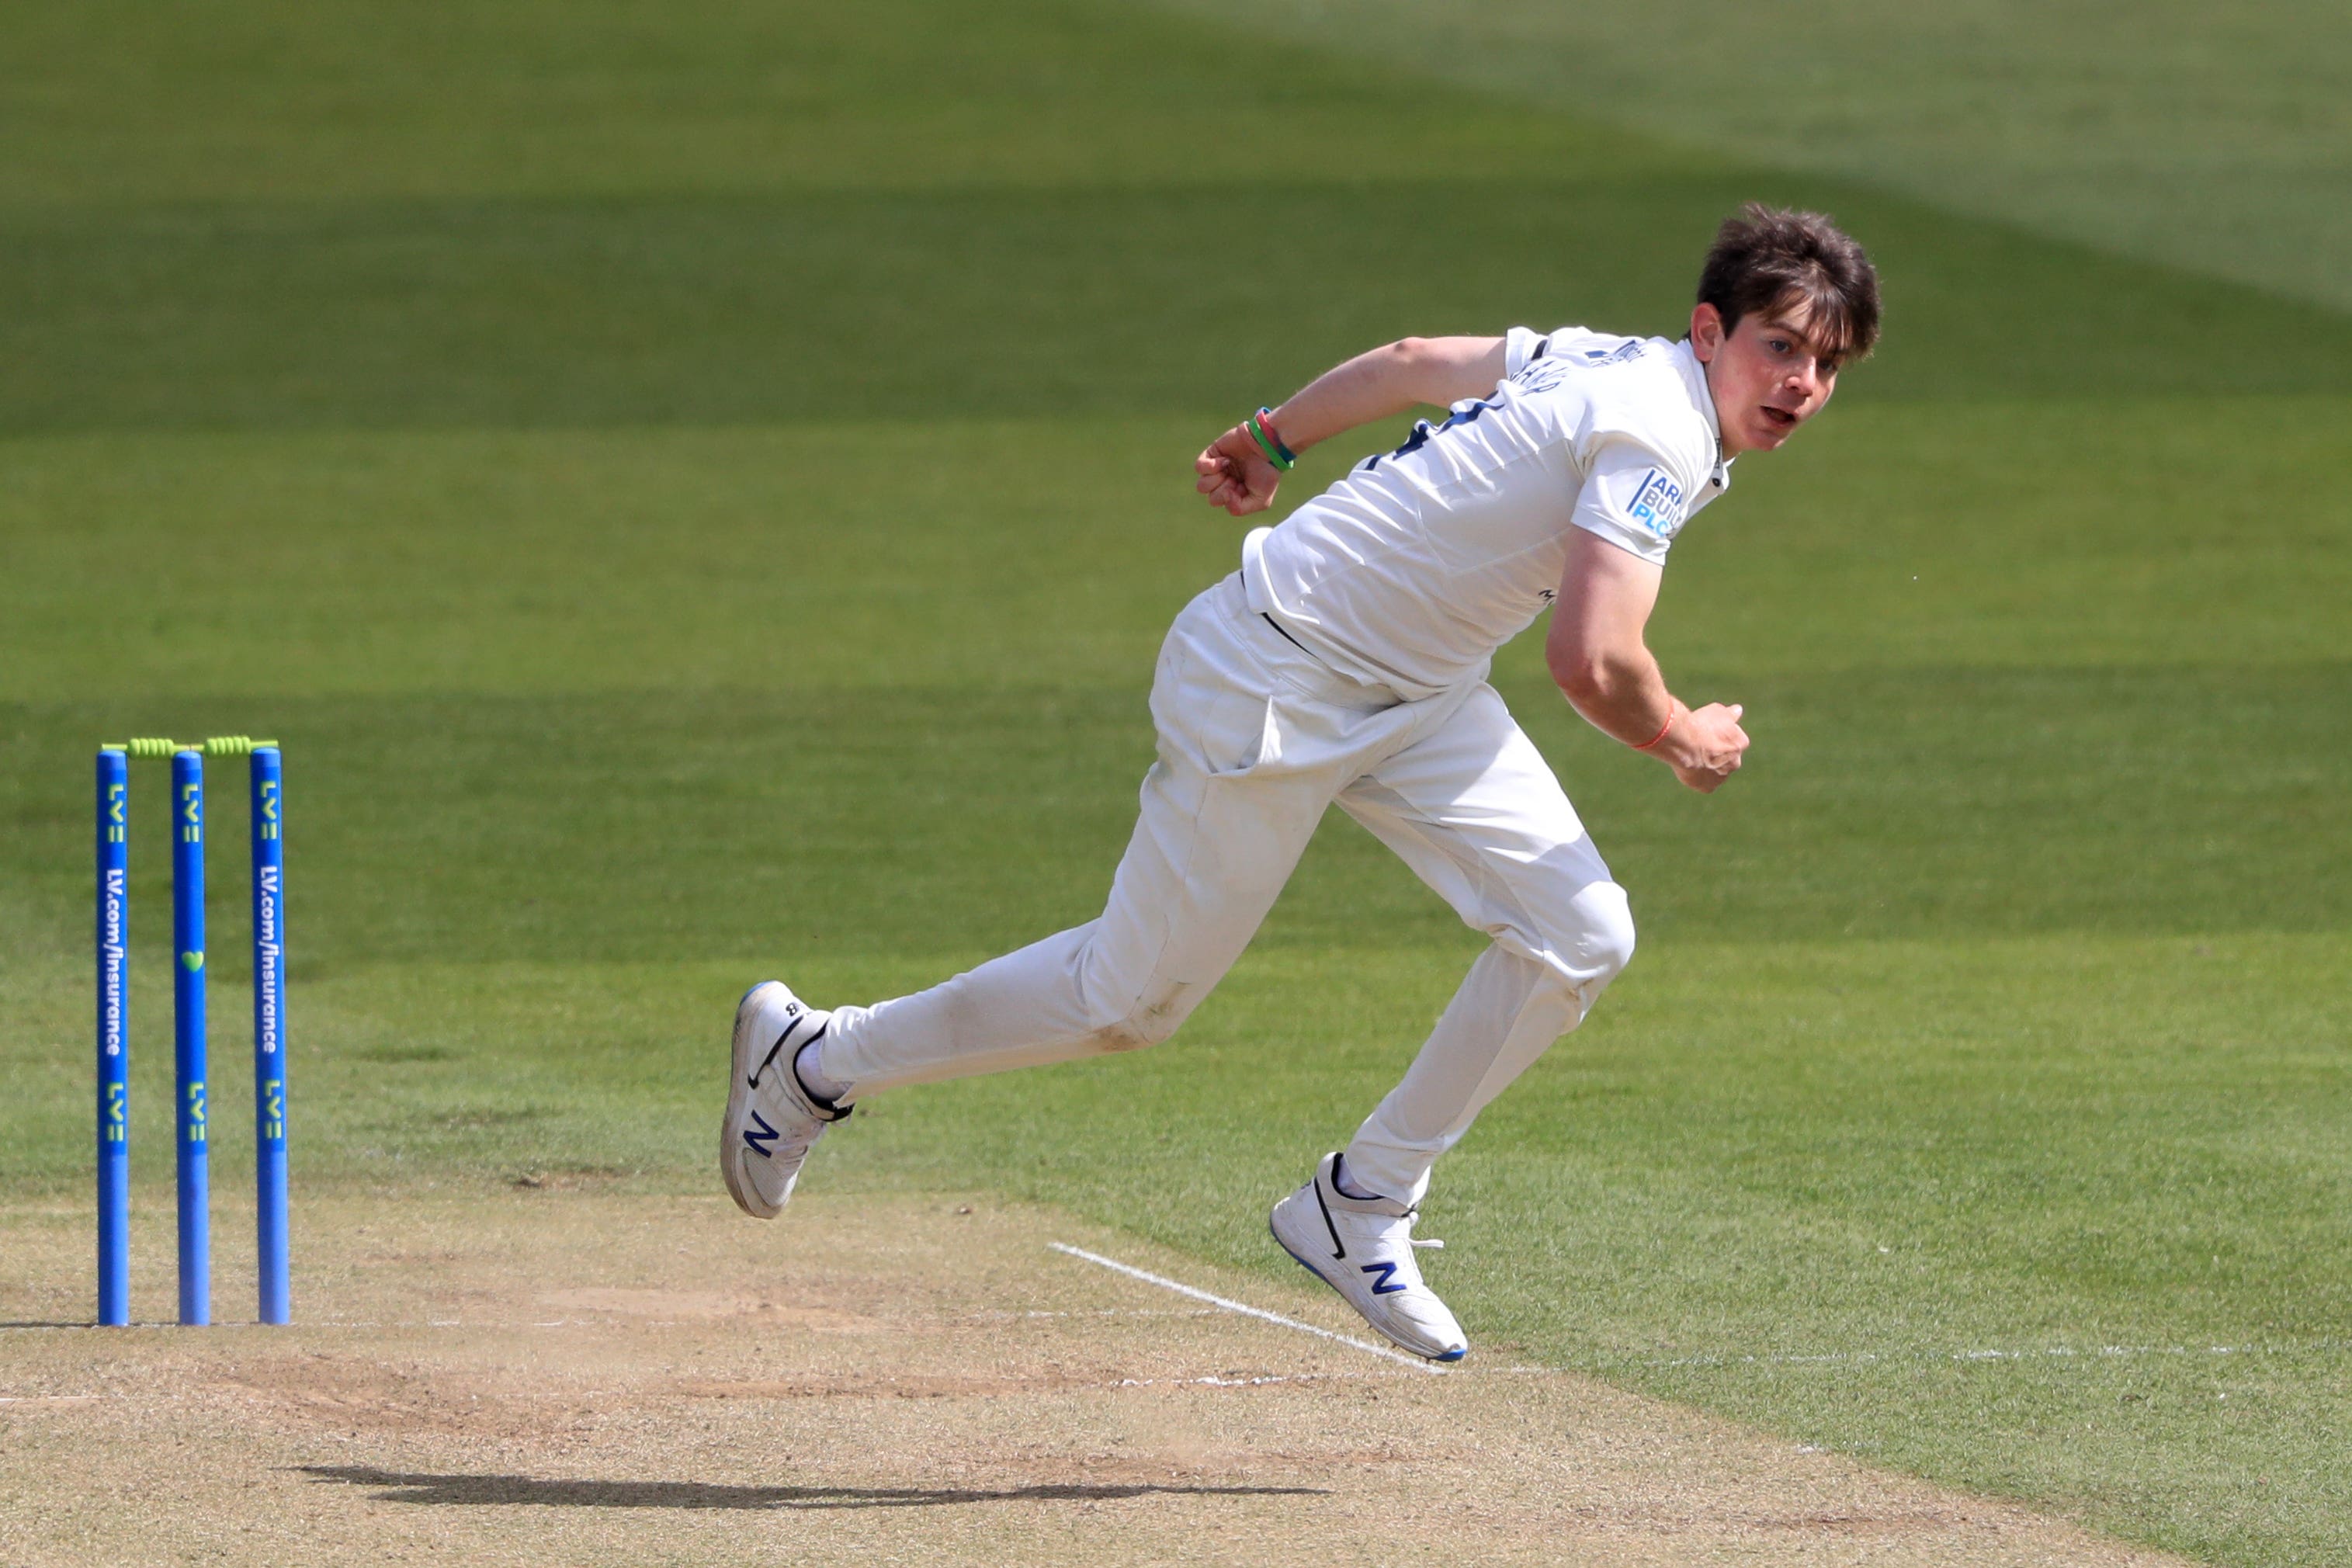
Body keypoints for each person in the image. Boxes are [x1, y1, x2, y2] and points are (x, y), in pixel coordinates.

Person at [722, 203, 1882, 1362]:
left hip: (1420, 696)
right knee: (1124, 1004)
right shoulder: (1658, 433)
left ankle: (1360, 1202)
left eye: (1826, 364)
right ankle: (814, 1061)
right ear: (1706, 330)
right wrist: (1681, 736)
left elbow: (1414, 363)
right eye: (1779, 347)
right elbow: (1589, 662)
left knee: (1578, 933)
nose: (1800, 384)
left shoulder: (1603, 357)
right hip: (1268, 681)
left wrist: (1272, 436)